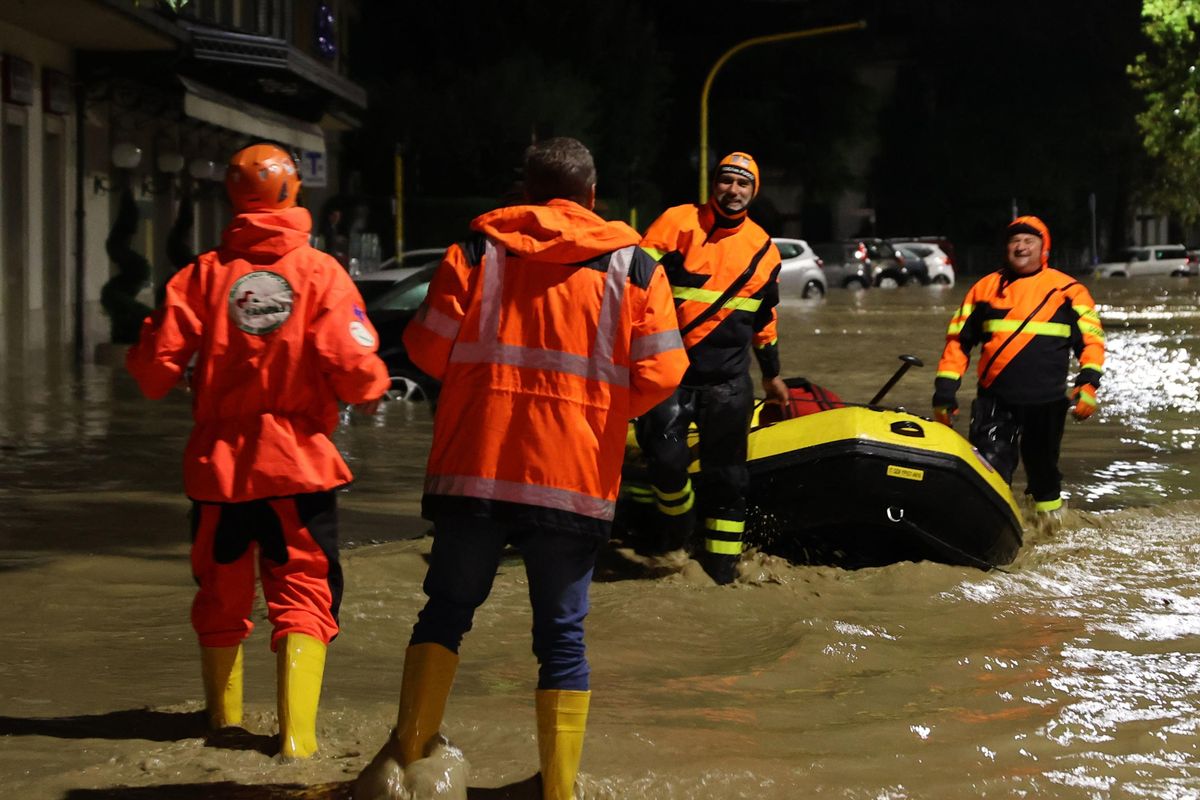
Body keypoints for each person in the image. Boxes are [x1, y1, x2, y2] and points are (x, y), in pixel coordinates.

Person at [354, 137, 688, 800]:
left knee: (445, 611)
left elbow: (424, 350)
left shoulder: (476, 252)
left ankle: (410, 754)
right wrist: (600, 412)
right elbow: (662, 374)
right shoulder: (638, 267)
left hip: (475, 469)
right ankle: (559, 789)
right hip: (573, 478)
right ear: (593, 197)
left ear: (527, 190)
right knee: (562, 637)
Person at [126, 143, 390, 759]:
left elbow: (151, 373)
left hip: (218, 473)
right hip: (299, 468)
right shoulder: (321, 273)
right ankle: (297, 742)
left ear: (232, 197)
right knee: (303, 597)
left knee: (220, 596)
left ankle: (221, 729)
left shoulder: (199, 275)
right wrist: (373, 387)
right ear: (292, 193)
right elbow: (355, 369)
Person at [635, 151, 789, 585]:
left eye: (743, 184)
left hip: (728, 380)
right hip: (671, 371)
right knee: (664, 459)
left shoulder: (763, 249)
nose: (733, 190)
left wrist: (772, 373)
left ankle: (722, 574)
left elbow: (765, 319)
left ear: (753, 192)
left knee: (728, 479)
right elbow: (634, 288)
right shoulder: (675, 223)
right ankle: (679, 529)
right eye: (726, 180)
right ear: (713, 184)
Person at [932, 215, 1105, 530]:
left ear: (1044, 248)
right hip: (995, 402)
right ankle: (987, 532)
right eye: (1014, 241)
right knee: (989, 469)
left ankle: (1049, 532)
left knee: (1044, 477)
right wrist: (944, 393)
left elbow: (1092, 343)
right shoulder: (984, 289)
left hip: (1047, 404)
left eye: (1029, 241)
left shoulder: (1069, 291)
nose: (1020, 246)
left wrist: (1088, 386)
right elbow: (957, 343)